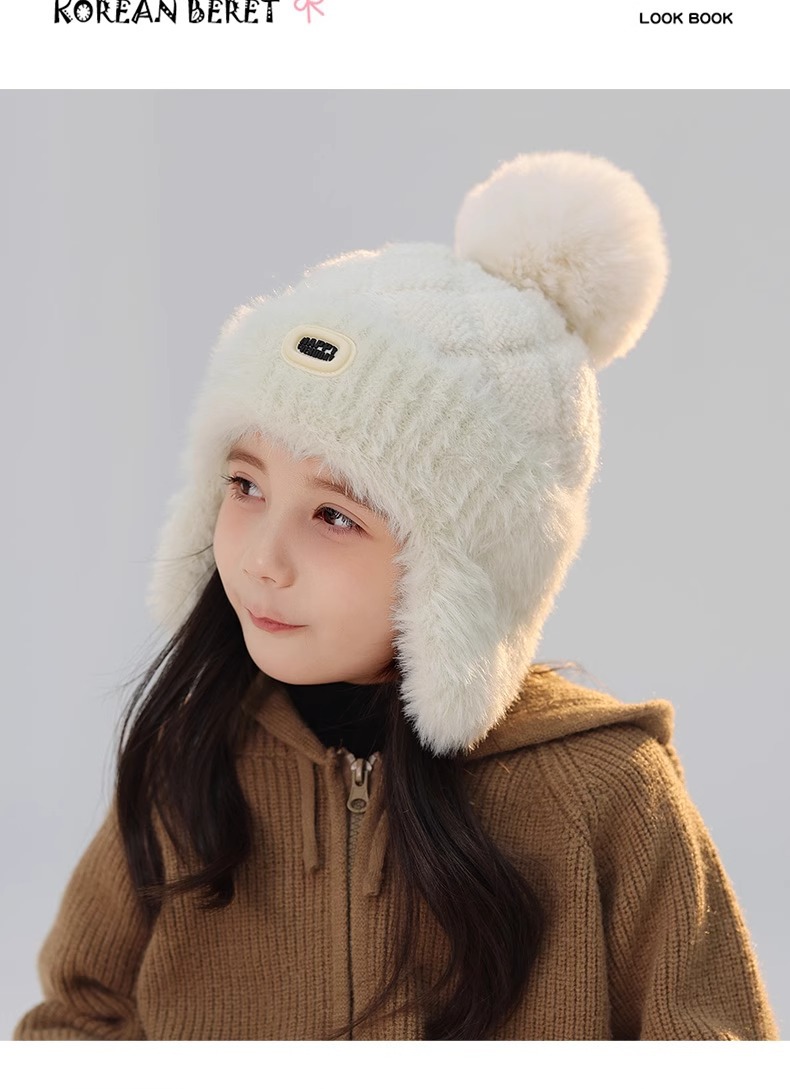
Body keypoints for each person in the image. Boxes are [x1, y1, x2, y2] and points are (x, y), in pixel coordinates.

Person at [13, 150, 779, 1041]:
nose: (261, 557)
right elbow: (78, 1021)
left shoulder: (607, 798)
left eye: (334, 515)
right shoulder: (187, 767)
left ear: (465, 569)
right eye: (245, 484)